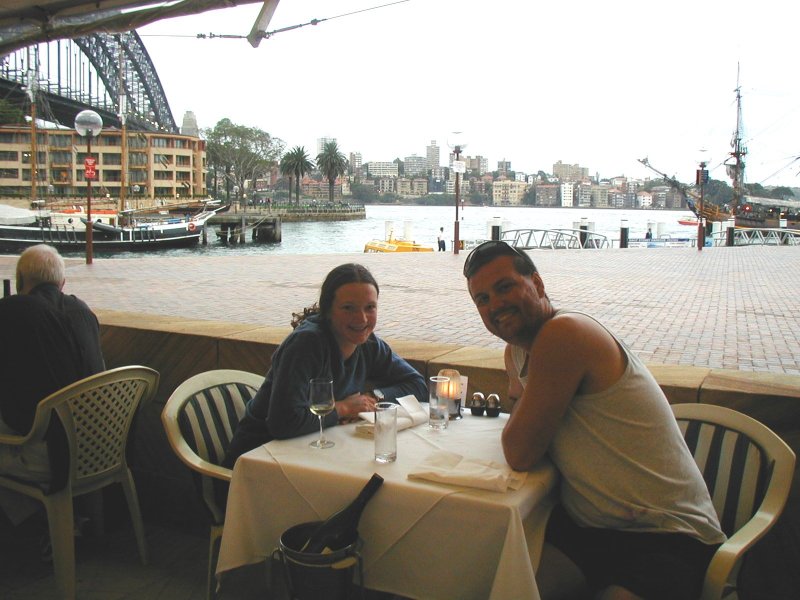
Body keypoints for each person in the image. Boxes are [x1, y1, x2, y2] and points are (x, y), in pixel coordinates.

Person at [462, 241, 725, 600]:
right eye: (482, 299)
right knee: (493, 583)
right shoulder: (517, 353)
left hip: (667, 535)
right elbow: (524, 438)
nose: (495, 305)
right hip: (589, 531)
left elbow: (520, 451)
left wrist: (521, 419)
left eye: (505, 287)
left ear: (537, 283)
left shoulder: (565, 333)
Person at [224, 263, 427, 465]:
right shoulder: (306, 344)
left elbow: (418, 385)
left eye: (370, 307)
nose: (362, 318)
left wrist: (373, 398)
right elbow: (283, 423)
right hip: (258, 460)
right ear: (328, 310)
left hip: (316, 454)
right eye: (348, 308)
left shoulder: (369, 344)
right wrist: (344, 408)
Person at [0, 244, 105, 525]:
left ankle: (36, 523)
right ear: (62, 282)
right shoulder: (82, 312)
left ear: (20, 281)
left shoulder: (12, 313)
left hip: (54, 458)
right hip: (104, 448)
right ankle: (53, 523)